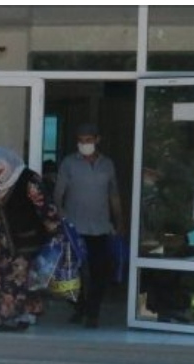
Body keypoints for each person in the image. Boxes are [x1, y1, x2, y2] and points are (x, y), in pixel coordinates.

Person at [0, 147, 61, 332]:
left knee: (20, 280)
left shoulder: (29, 180)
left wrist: (55, 230)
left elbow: (44, 207)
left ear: (8, 165)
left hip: (23, 242)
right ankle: (5, 318)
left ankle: (21, 318)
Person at [54, 123, 124, 328]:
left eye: (88, 140)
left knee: (99, 272)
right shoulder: (69, 163)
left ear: (97, 140)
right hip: (74, 228)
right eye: (81, 140)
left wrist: (120, 221)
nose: (84, 144)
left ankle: (93, 312)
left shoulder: (107, 164)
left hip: (100, 227)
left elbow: (113, 195)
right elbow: (58, 194)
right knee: (71, 272)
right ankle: (79, 307)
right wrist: (61, 219)